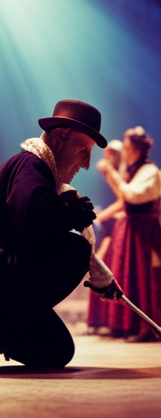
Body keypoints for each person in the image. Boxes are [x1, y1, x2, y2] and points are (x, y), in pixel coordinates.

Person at [0, 99, 122, 370]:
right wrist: (69, 214)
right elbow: (33, 218)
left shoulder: (43, 174)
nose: (86, 164)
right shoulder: (31, 165)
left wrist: (102, 277)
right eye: (83, 150)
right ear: (60, 137)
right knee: (74, 250)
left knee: (57, 350)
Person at [97, 126, 161, 342]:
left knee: (144, 279)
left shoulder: (150, 172)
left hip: (144, 233)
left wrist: (112, 172)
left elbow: (132, 195)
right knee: (128, 276)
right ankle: (128, 326)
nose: (124, 152)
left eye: (126, 147)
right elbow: (124, 197)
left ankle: (147, 328)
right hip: (131, 231)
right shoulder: (131, 170)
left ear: (136, 149)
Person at [87, 139, 124, 335]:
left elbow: (122, 199)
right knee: (101, 262)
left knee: (108, 265)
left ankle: (113, 321)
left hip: (112, 223)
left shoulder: (116, 173)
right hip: (107, 223)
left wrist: (104, 215)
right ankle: (99, 320)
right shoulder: (104, 171)